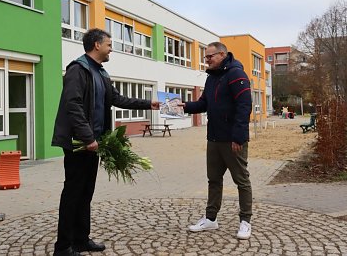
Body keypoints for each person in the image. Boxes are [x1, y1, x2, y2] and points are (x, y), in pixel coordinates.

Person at [51, 28, 160, 256]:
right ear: (97, 45)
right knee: (73, 192)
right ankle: (63, 247)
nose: (112, 49)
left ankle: (81, 239)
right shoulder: (77, 70)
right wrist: (87, 137)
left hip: (95, 143)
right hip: (79, 143)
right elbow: (73, 105)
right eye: (109, 44)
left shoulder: (101, 73)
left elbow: (117, 99)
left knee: (86, 192)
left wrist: (148, 104)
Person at [180, 42, 253, 240]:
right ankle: (211, 219)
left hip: (232, 140)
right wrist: (184, 106)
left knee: (241, 181)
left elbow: (244, 106)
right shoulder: (212, 78)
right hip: (214, 138)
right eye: (206, 57)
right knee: (214, 180)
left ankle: (245, 221)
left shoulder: (236, 74)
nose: (207, 60)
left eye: (210, 57)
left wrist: (238, 136)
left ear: (222, 54)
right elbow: (204, 103)